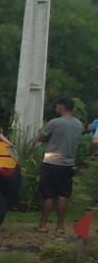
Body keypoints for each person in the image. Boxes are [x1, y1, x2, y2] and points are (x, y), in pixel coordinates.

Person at [37, 97, 83, 234]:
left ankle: (43, 225)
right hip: (68, 163)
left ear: (62, 106)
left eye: (57, 105)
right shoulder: (78, 124)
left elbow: (41, 138)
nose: (56, 108)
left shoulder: (54, 123)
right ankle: (60, 227)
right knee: (63, 194)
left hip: (51, 161)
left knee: (48, 194)